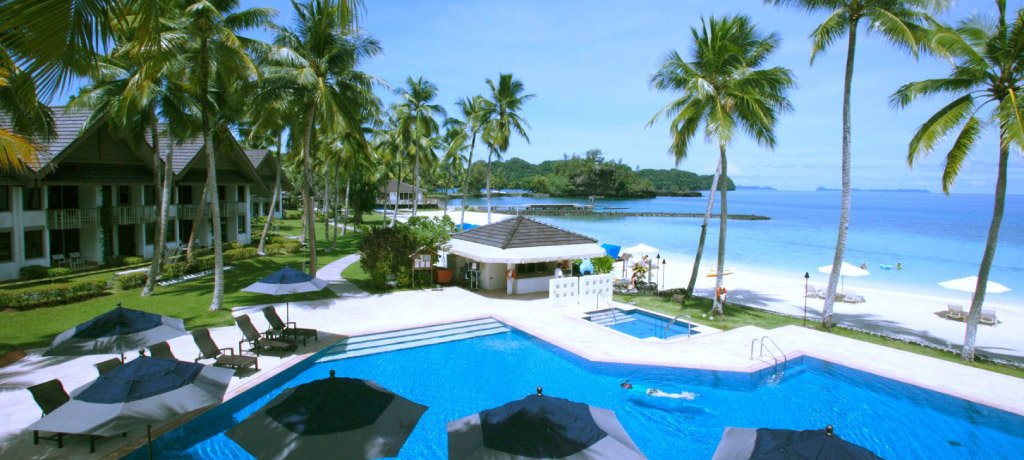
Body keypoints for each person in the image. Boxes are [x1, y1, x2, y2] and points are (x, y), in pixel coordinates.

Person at [620, 379, 697, 400]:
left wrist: (648, 396)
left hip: (651, 392)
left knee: (668, 396)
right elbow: (644, 387)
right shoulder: (634, 385)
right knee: (667, 394)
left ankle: (685, 396)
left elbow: (641, 393)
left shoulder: (632, 390)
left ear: (626, 387)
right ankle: (684, 396)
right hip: (652, 389)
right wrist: (627, 382)